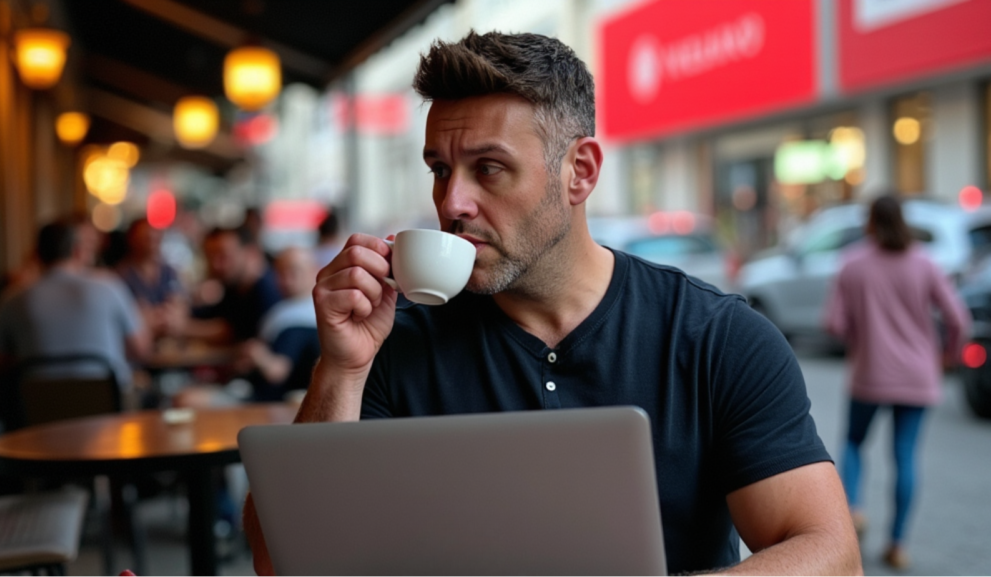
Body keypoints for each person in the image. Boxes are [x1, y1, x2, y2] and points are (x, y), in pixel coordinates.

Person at [244, 31, 861, 575]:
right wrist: (343, 369)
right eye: (439, 170)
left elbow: (830, 553)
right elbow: (282, 562)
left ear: (580, 172)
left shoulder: (715, 337)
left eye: (488, 168)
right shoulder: (392, 345)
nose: (451, 202)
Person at [824, 194, 969, 569]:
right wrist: (948, 356)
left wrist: (860, 335)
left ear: (870, 222)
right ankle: (898, 544)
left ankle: (854, 508)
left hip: (869, 373)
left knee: (854, 443)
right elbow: (959, 319)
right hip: (918, 376)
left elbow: (834, 324)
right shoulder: (925, 263)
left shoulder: (851, 264)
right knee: (904, 455)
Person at [0, 218, 152, 429]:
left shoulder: (14, 298)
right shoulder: (110, 286)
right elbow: (141, 350)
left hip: (38, 423)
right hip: (107, 417)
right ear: (77, 251)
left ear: (37, 253)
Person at [234, 246, 320, 402]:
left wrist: (257, 354)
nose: (286, 279)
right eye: (280, 273)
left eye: (294, 271)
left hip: (277, 405)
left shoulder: (305, 318)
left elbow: (277, 371)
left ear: (314, 271)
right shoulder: (282, 309)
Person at [189, 225, 283, 343]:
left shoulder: (267, 292)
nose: (215, 265)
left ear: (250, 253)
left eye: (223, 256)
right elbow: (215, 317)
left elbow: (234, 334)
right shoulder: (235, 287)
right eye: (209, 257)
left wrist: (182, 327)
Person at [116, 218, 188, 339]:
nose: (151, 241)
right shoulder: (121, 276)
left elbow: (179, 306)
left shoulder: (169, 272)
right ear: (132, 240)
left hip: (171, 340)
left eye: (155, 237)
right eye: (145, 237)